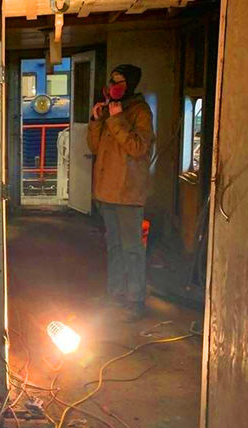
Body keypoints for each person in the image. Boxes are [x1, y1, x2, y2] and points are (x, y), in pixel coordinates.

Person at [87, 64, 155, 322]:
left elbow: (137, 147)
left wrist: (116, 119)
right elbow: (95, 147)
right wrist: (97, 121)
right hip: (106, 193)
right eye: (112, 79)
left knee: (132, 248)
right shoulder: (109, 110)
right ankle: (114, 293)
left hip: (127, 194)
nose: (114, 84)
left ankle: (135, 298)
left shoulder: (140, 112)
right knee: (114, 246)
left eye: (120, 81)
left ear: (131, 85)